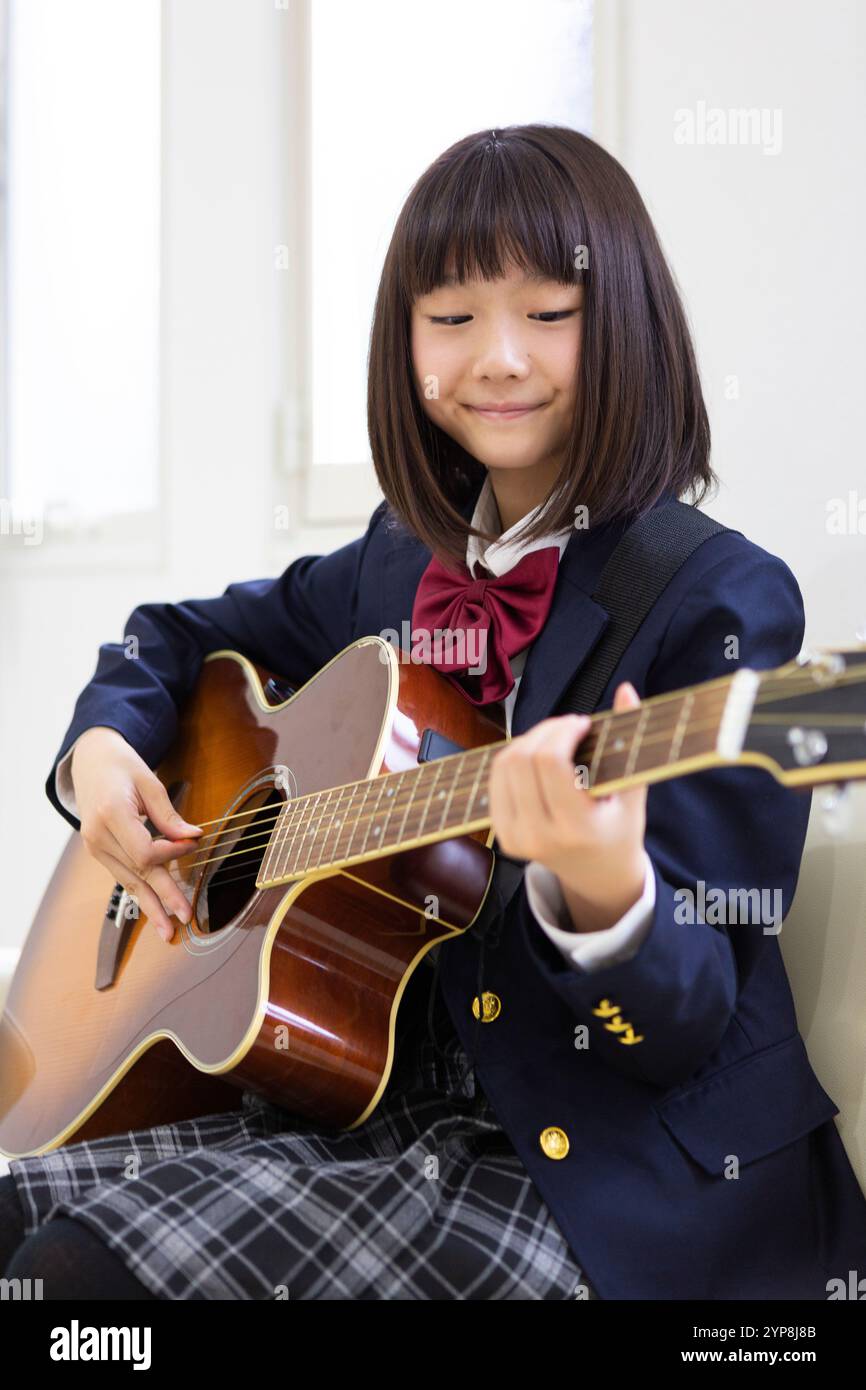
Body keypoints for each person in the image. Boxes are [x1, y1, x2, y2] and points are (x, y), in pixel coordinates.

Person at [3, 124, 864, 1300]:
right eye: (449, 319)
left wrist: (603, 889)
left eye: (546, 312)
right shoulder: (394, 562)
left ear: (625, 327)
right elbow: (171, 633)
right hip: (368, 1109)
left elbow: (684, 1026)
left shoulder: (714, 594)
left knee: (76, 1277)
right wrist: (100, 754)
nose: (495, 357)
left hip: (598, 1170)